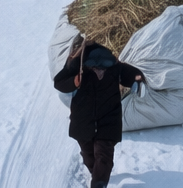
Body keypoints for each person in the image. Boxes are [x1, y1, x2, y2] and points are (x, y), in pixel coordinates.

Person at [52, 40, 144, 188]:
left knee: (104, 156)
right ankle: (96, 173)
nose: (100, 72)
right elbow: (59, 82)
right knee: (89, 156)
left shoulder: (115, 67)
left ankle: (99, 183)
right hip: (83, 120)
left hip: (109, 119)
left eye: (103, 68)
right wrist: (74, 81)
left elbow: (133, 74)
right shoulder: (77, 65)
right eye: (96, 68)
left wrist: (137, 79)